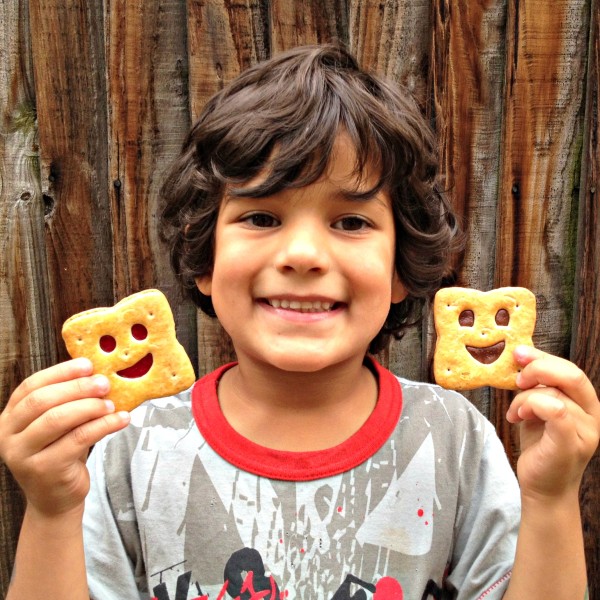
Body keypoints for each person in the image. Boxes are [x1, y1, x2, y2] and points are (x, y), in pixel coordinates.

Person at [1, 43, 599, 600]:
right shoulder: (131, 447)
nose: (304, 254)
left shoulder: (452, 439)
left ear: (400, 267)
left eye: (352, 222)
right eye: (261, 217)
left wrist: (549, 499)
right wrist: (52, 510)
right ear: (204, 257)